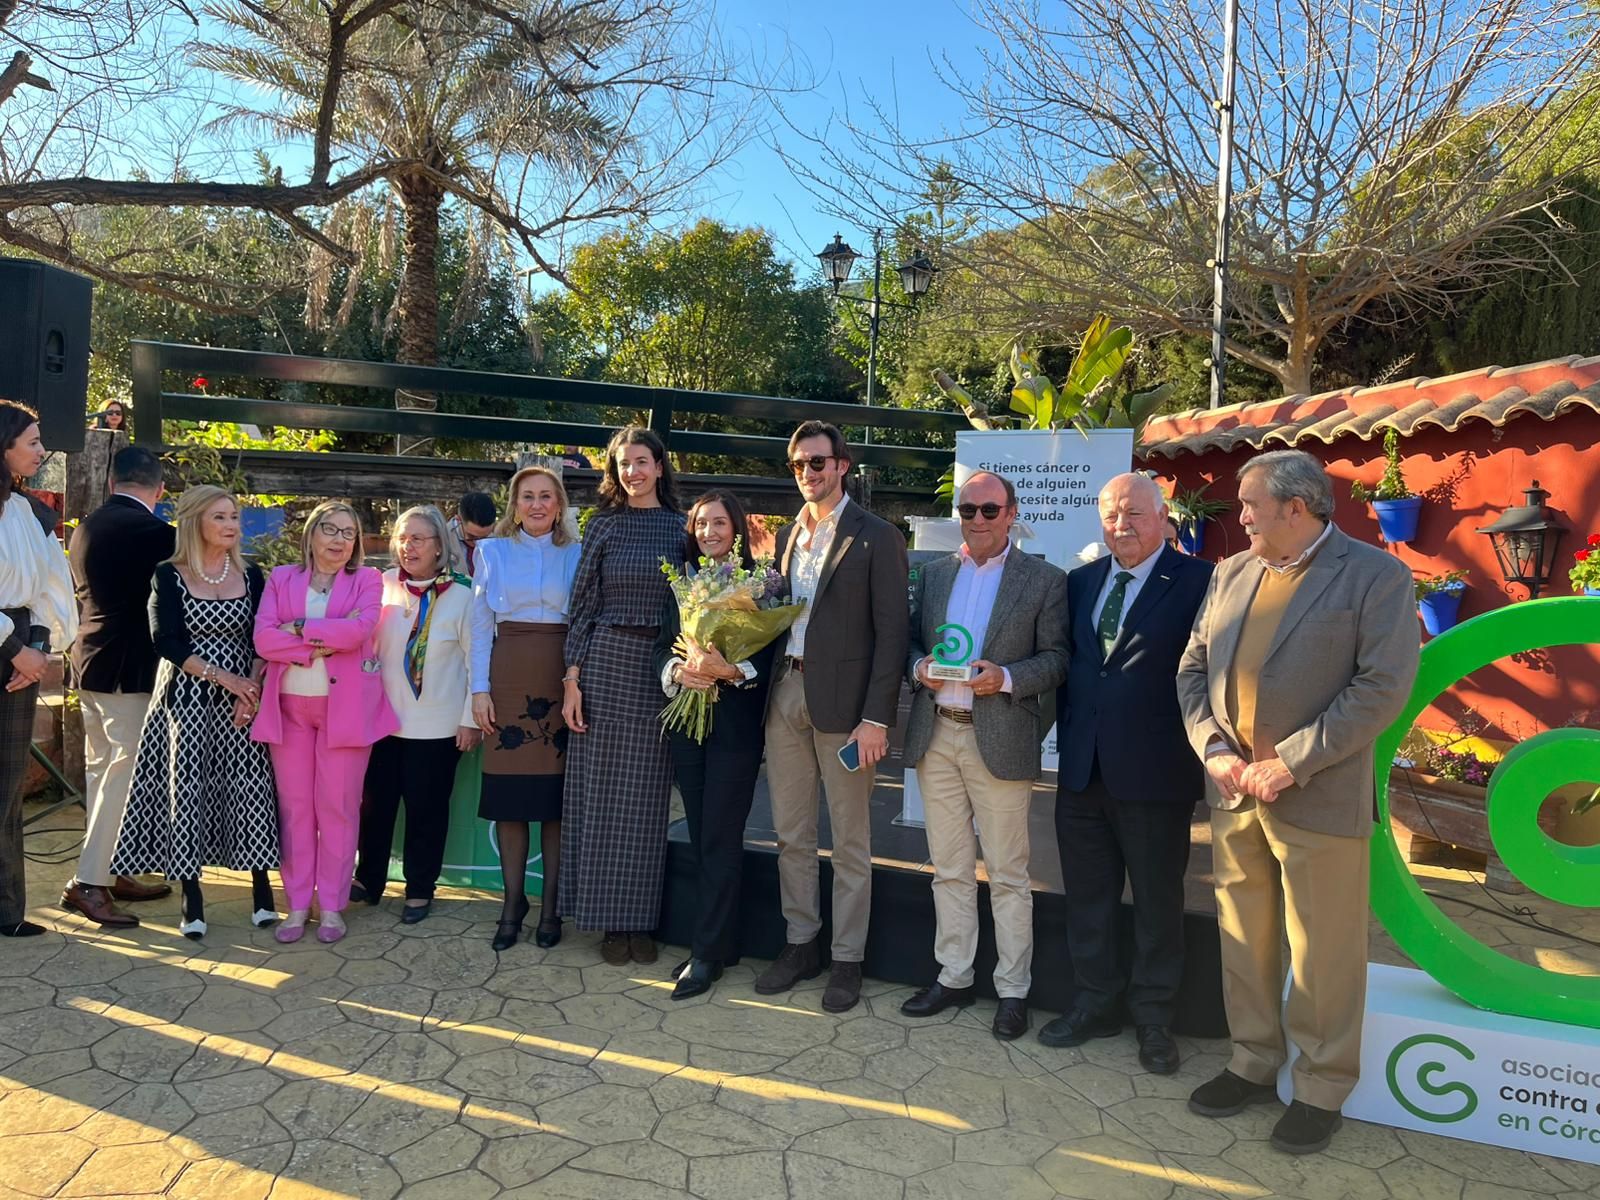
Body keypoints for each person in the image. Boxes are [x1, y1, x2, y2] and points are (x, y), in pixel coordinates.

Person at [1177, 449, 1419, 1155]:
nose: (1240, 515)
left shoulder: (1377, 575)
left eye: (1250, 504)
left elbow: (1382, 687)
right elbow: (1193, 668)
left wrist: (1291, 762)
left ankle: (1321, 1087)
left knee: (1325, 950)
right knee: (1244, 936)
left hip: (1317, 793)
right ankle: (1252, 1062)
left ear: (1298, 506)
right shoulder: (1230, 572)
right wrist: (1213, 749)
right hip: (1232, 792)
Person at [1043, 472, 1213, 1072]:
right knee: (1087, 900)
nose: (1123, 525)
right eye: (1113, 515)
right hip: (1082, 770)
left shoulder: (1200, 581)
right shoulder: (1080, 583)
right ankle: (1095, 1002)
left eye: (1136, 514)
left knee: (1157, 904)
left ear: (1163, 516)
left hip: (1156, 773)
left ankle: (1155, 1019)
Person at [900, 471, 1067, 1039]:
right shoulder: (934, 573)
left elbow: (1058, 659)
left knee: (1008, 874)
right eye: (967, 510)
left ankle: (1013, 990)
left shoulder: (1044, 579)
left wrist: (1008, 677)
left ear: (1011, 513)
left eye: (989, 510)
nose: (977, 520)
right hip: (936, 733)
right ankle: (954, 975)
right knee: (947, 870)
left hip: (999, 739)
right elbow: (913, 643)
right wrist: (918, 668)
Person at [756, 420, 909, 1014]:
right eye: (797, 465)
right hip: (785, 692)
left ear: (842, 465)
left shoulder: (878, 536)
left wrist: (877, 717)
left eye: (817, 463)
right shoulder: (790, 535)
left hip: (848, 711)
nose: (807, 474)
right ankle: (801, 945)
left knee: (850, 840)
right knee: (790, 833)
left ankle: (848, 958)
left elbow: (893, 632)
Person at [109, 485, 278, 939]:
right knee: (186, 790)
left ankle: (262, 890)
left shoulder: (253, 574)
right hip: (186, 693)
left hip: (243, 695)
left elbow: (263, 637)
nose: (230, 526)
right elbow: (165, 640)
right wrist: (226, 679)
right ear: (195, 522)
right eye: (220, 517)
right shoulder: (169, 574)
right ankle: (192, 894)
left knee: (251, 787)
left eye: (235, 517)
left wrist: (252, 689)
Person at [561, 426, 684, 966]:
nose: (632, 471)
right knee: (603, 796)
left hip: (661, 671)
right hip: (606, 664)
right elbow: (582, 606)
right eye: (623, 463)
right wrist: (571, 680)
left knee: (649, 797)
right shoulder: (603, 526)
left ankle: (641, 919)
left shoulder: (683, 528)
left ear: (660, 466)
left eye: (641, 461)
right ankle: (609, 921)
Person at [653, 490, 778, 1000]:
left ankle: (706, 955)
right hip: (688, 723)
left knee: (720, 839)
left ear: (737, 529)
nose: (709, 532)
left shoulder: (762, 587)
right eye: (702, 523)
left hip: (734, 731)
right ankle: (717, 943)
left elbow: (768, 659)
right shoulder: (681, 584)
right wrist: (680, 671)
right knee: (701, 833)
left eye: (719, 523)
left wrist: (730, 670)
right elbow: (662, 645)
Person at [253, 502, 398, 944]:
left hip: (346, 711)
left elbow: (360, 631)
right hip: (290, 709)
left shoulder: (368, 580)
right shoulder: (281, 578)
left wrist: (295, 629)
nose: (339, 540)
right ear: (311, 534)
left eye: (348, 533)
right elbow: (263, 638)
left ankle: (332, 906)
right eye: (330, 530)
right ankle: (298, 905)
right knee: (296, 809)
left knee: (337, 807)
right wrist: (316, 641)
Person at [63, 445, 177, 928]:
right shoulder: (156, 533)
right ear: (161, 490)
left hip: (88, 661)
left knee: (101, 773)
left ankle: (109, 869)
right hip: (129, 669)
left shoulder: (87, 525)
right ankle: (89, 884)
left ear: (112, 483)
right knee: (121, 780)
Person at [470, 467, 581, 951]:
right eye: (527, 497)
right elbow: (479, 626)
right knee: (511, 803)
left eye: (546, 496)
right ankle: (513, 902)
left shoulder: (578, 553)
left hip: (563, 678)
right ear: (514, 505)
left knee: (554, 805)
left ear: (559, 504)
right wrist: (479, 689)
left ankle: (551, 907)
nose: (536, 505)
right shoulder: (491, 552)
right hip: (507, 676)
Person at [353, 505, 480, 924]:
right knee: (375, 807)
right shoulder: (380, 586)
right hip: (382, 723)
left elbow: (476, 660)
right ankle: (368, 880)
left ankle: (419, 889)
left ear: (440, 547)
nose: (408, 546)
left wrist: (470, 718)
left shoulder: (464, 594)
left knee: (427, 811)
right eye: (403, 538)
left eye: (419, 539)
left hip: (439, 726)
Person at [0, 401, 75, 938]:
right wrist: (13, 649)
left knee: (6, 789)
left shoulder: (27, 511)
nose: (41, 450)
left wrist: (40, 646)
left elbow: (51, 584)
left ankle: (6, 909)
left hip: (23, 647)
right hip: (8, 646)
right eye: (31, 441)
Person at [451, 492, 497, 576]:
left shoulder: (500, 539)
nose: (478, 543)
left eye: (484, 537)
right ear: (458, 520)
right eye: (471, 536)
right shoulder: (439, 539)